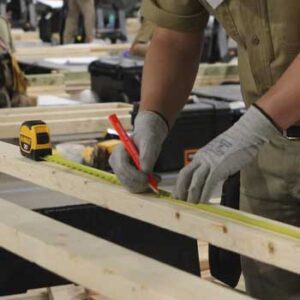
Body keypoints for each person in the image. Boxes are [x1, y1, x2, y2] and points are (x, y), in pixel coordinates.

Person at [109, 1, 300, 299]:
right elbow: (175, 35)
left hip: (261, 131)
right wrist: (151, 120)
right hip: (266, 156)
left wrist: (253, 128)